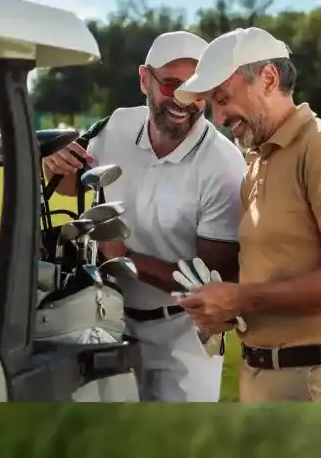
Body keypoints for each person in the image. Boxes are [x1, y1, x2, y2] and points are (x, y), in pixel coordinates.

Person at [172, 26, 321, 403]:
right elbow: (271, 272)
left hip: (317, 381)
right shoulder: (256, 160)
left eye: (223, 99)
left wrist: (242, 298)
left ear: (268, 78)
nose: (218, 117)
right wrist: (223, 308)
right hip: (260, 375)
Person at [42, 30, 247, 402]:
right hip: (106, 321)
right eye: (170, 85)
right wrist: (53, 162)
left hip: (183, 338)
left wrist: (124, 259)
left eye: (196, 88)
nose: (182, 100)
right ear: (144, 80)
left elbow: (214, 281)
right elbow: (73, 184)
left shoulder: (224, 165)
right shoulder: (118, 125)